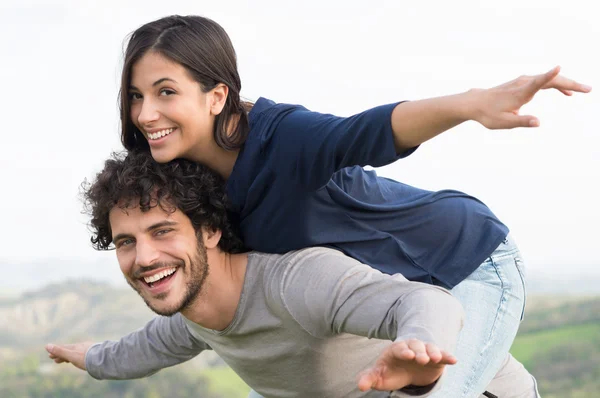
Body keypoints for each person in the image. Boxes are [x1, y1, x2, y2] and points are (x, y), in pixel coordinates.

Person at [118, 15, 591, 397]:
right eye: (137, 96)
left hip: (469, 260)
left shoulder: (281, 138)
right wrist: (97, 357)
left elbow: (365, 131)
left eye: (166, 92)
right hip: (405, 290)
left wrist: (470, 104)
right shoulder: (186, 178)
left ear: (217, 95)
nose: (145, 114)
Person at [47, 151, 465, 397]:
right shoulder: (194, 319)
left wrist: (422, 349)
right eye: (126, 242)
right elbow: (133, 353)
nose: (143, 257)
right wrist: (83, 356)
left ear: (209, 230)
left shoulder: (295, 283)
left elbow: (425, 300)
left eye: (163, 231)